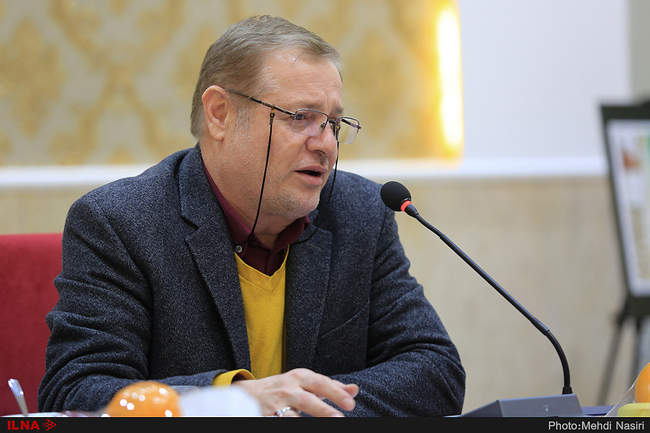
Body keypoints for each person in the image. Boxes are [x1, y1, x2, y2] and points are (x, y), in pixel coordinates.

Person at [38, 15, 465, 417]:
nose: (326, 145)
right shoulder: (121, 223)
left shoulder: (361, 212)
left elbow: (436, 371)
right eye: (301, 117)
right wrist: (234, 402)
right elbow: (76, 391)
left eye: (334, 124)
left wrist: (294, 408)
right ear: (220, 114)